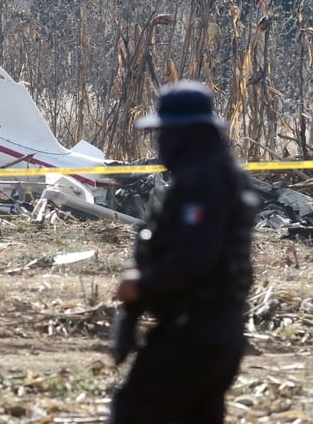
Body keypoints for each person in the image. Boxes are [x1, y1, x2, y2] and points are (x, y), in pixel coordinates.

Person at [109, 80, 258, 424]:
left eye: (166, 133)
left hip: (197, 332)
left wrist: (141, 286)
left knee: (134, 411)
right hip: (209, 329)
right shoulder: (207, 175)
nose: (161, 143)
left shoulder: (206, 181)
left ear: (188, 134)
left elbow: (196, 257)